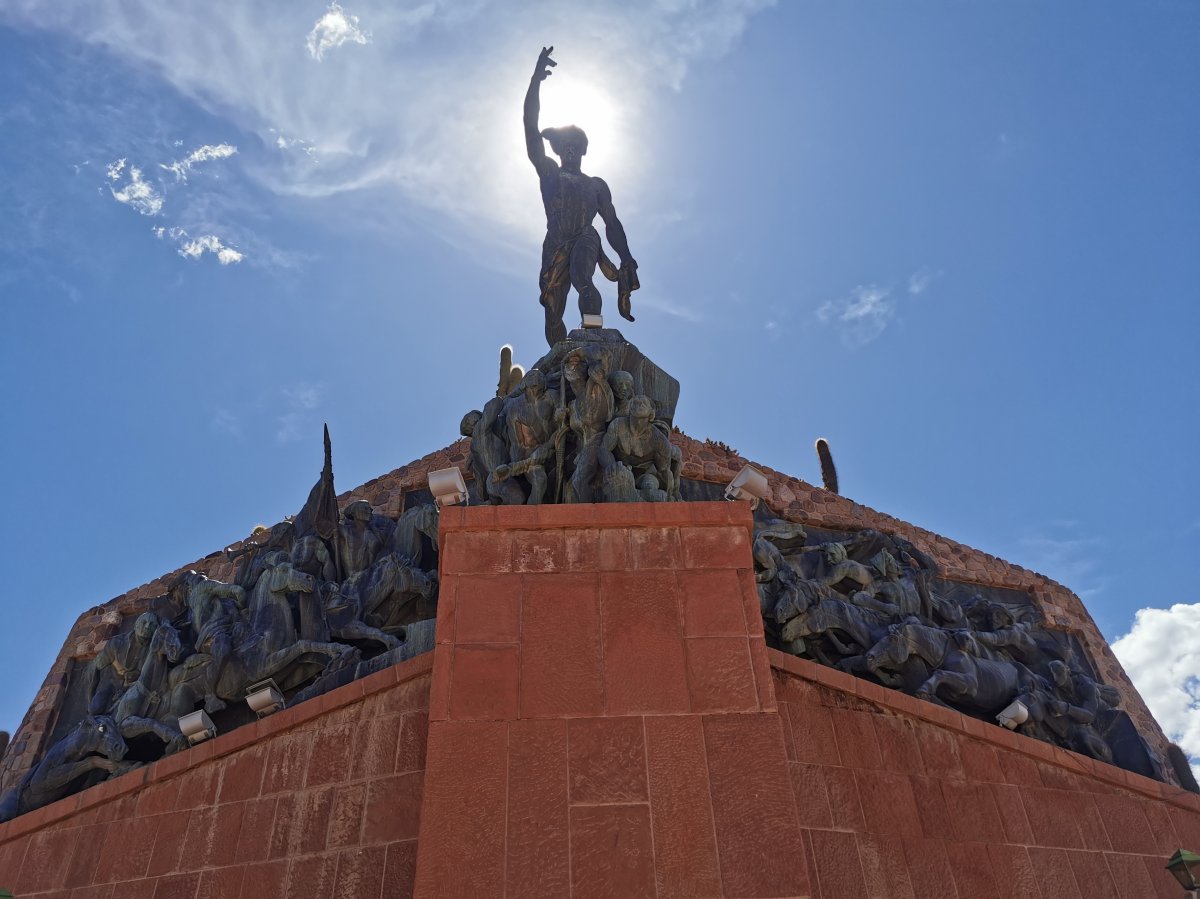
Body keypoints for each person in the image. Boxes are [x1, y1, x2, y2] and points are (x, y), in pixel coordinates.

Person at [525, 46, 639, 346]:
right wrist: (536, 80)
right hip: (555, 241)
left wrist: (626, 257)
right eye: (565, 144)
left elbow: (612, 224)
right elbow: (529, 126)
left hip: (584, 237)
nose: (570, 149)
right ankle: (561, 356)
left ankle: (593, 338)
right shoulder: (549, 172)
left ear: (583, 150)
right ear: (558, 150)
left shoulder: (597, 185)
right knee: (552, 308)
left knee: (583, 280)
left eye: (575, 144)